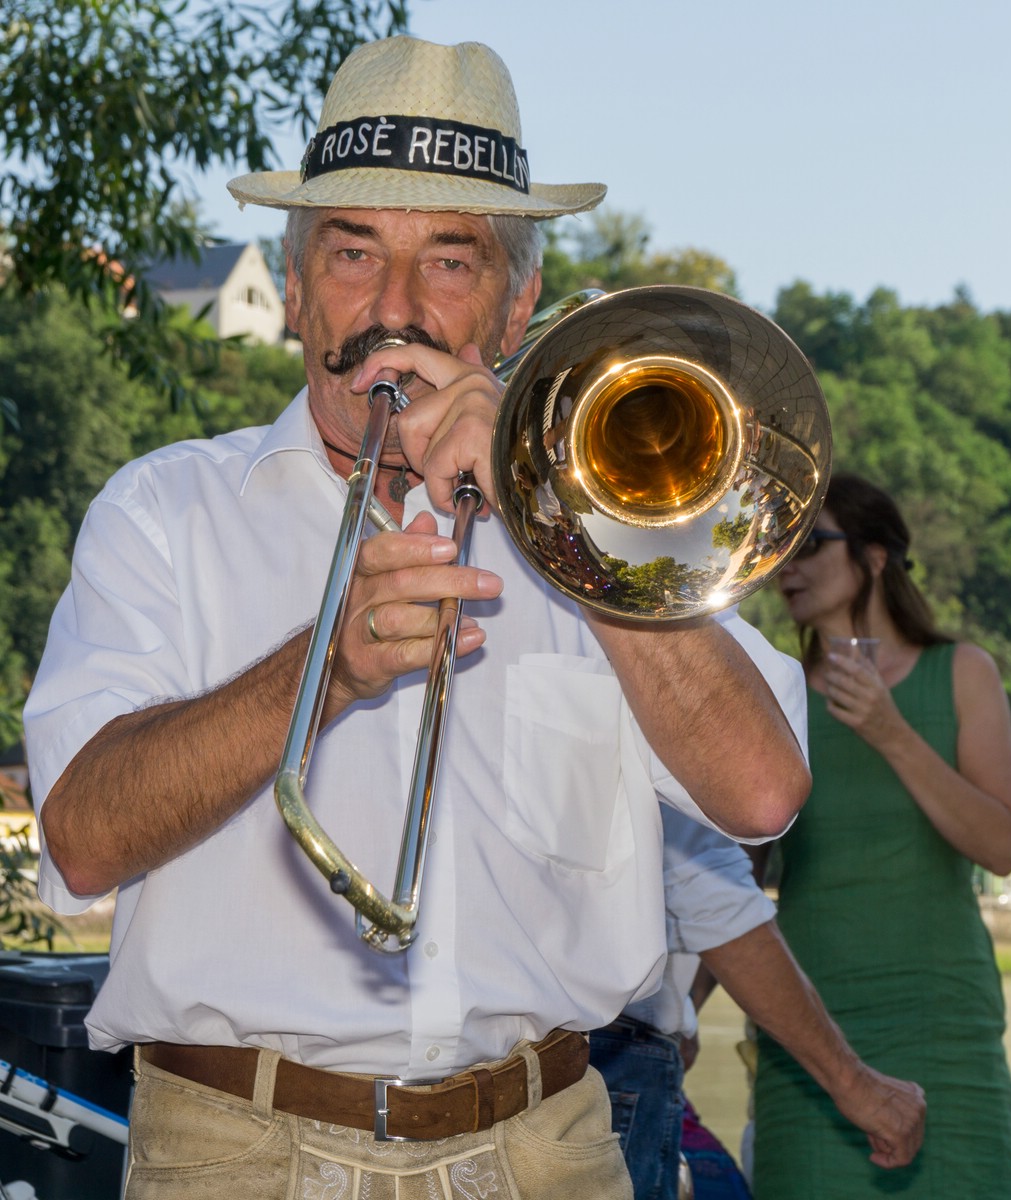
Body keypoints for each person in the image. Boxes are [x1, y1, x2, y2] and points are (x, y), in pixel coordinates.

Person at [22, 35, 812, 1200]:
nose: (394, 309)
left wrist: (568, 530)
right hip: (235, 1155)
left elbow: (763, 792)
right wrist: (323, 668)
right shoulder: (164, 510)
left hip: (549, 1149)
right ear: (292, 287)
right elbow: (81, 836)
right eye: (352, 252)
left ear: (519, 302)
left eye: (451, 259)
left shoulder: (613, 533)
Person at [751, 472, 1011, 1198]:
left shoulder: (962, 673)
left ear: (874, 556)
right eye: (780, 547)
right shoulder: (772, 694)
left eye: (810, 543)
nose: (789, 566)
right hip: (808, 1049)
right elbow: (732, 887)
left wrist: (890, 733)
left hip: (947, 1037)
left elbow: (1001, 847)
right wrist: (681, 1015)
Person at [591, 805, 926, 1200]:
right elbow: (708, 894)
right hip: (614, 1062)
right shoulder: (660, 749)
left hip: (541, 1057)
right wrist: (855, 1084)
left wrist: (685, 1009)